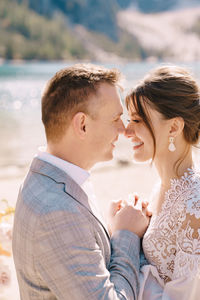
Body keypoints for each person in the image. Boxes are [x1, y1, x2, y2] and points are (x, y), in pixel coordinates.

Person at [12, 63, 150, 300]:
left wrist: (108, 231)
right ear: (82, 125)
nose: (123, 130)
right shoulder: (56, 211)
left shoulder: (53, 178)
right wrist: (125, 235)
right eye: (116, 118)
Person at [125, 65, 200, 300]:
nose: (126, 131)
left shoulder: (195, 206)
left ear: (174, 127)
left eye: (137, 120)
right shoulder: (161, 187)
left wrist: (124, 237)